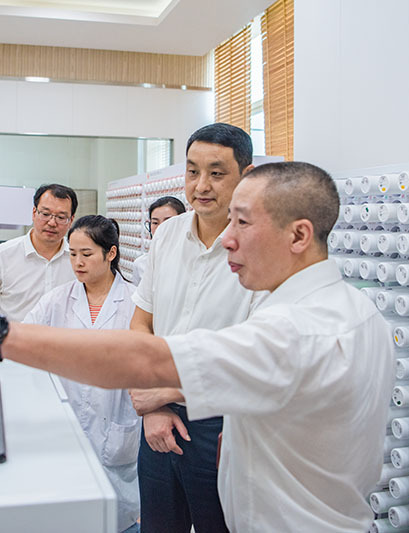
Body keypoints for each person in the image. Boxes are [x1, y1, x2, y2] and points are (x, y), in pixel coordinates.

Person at [0, 161, 395, 532]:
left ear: (299, 235)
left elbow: (143, 358)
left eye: (242, 222)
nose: (227, 239)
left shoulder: (302, 330)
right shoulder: (347, 308)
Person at [130, 123, 263, 532]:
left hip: (223, 425)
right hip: (156, 417)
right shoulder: (168, 235)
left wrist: (166, 392)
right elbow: (142, 323)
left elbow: (256, 360)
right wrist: (154, 405)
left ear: (247, 175)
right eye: (192, 171)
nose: (201, 185)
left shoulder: (262, 249)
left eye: (216, 173)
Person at [23, 215, 140, 533]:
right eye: (72, 253)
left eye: (86, 254)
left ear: (111, 253)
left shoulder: (135, 303)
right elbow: (24, 338)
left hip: (116, 422)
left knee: (117, 519)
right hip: (66, 423)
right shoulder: (57, 300)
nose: (77, 262)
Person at [0, 183, 78, 322]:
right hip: (16, 335)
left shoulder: (78, 258)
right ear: (34, 213)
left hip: (61, 336)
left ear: (71, 220)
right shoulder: (3, 255)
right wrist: (8, 331)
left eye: (61, 217)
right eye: (45, 214)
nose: (52, 223)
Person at [132, 195, 185, 286]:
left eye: (168, 221)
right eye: (155, 223)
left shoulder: (193, 260)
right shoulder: (141, 264)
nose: (161, 228)